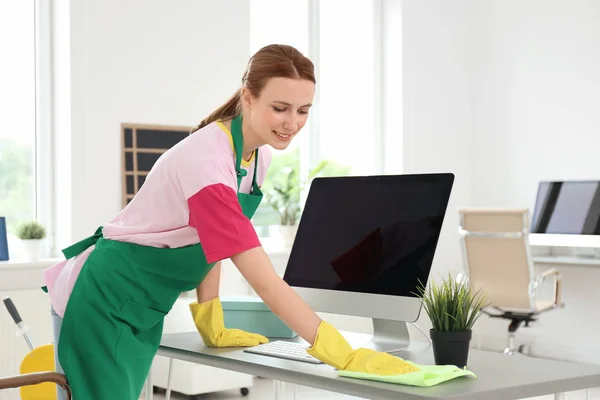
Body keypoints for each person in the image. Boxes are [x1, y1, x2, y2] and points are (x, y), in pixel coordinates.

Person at [44, 44, 417, 400]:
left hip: (140, 305)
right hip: (103, 301)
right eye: (280, 108)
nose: (292, 123)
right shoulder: (207, 161)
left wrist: (211, 319)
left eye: (303, 110)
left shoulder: (256, 160)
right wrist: (342, 354)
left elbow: (209, 242)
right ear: (248, 97)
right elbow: (267, 283)